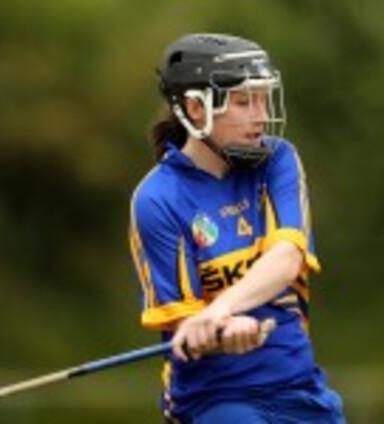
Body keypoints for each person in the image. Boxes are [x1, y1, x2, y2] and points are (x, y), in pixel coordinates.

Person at [128, 33, 345, 423]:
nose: (260, 115)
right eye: (244, 102)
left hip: (299, 389)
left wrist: (223, 308)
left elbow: (286, 258)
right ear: (196, 107)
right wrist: (217, 334)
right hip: (213, 401)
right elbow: (185, 328)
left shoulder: (277, 160)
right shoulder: (156, 198)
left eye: (263, 99)